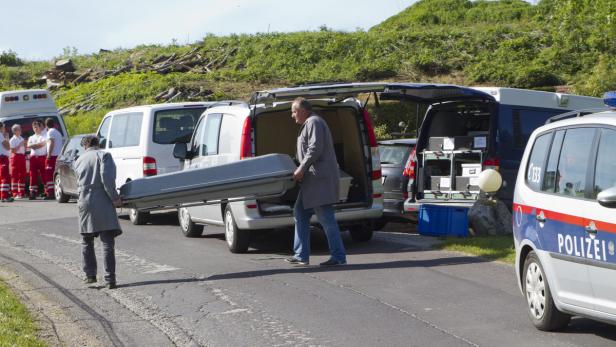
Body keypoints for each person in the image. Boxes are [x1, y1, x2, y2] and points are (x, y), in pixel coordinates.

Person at [285, 97, 347, 266]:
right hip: (313, 181)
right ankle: (300, 255)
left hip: (318, 181)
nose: (292, 115)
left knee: (326, 219)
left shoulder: (314, 122)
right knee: (300, 213)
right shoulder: (310, 123)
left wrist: (301, 168)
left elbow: (315, 149)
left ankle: (339, 257)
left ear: (303, 110)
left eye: (294, 111)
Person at [74, 135, 123, 289]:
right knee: (107, 241)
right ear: (98, 144)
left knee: (87, 240)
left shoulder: (79, 160)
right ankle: (110, 279)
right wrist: (115, 198)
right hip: (101, 199)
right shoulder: (104, 155)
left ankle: (90, 275)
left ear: (85, 146)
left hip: (84, 201)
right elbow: (107, 178)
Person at [27, 120, 47, 200]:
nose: (35, 129)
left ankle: (47, 191)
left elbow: (42, 144)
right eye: (34, 127)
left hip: (42, 157)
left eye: (37, 127)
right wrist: (36, 145)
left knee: (43, 174)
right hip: (33, 157)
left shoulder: (43, 136)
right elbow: (29, 145)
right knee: (32, 175)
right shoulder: (31, 137)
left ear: (40, 127)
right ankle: (33, 192)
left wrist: (34, 145)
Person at [44, 118, 63, 199]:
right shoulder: (58, 132)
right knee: (55, 174)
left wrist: (49, 155)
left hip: (52, 156)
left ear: (46, 125)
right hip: (58, 155)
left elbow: (51, 142)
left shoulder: (50, 132)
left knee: (49, 174)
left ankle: (50, 193)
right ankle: (55, 191)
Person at [9, 124, 27, 199]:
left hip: (22, 156)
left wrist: (24, 145)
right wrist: (20, 144)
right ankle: (15, 193)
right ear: (15, 131)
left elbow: (24, 149)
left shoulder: (21, 138)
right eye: (18, 129)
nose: (20, 130)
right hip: (16, 157)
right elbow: (13, 150)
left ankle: (21, 193)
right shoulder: (12, 140)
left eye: (20, 129)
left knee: (22, 174)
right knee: (15, 175)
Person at [0, 122, 13, 202]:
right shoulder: (0, 135)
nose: (4, 129)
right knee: (5, 177)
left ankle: (3, 194)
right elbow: (8, 147)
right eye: (3, 127)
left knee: (2, 177)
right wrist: (7, 139)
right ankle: (4, 196)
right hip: (2, 157)